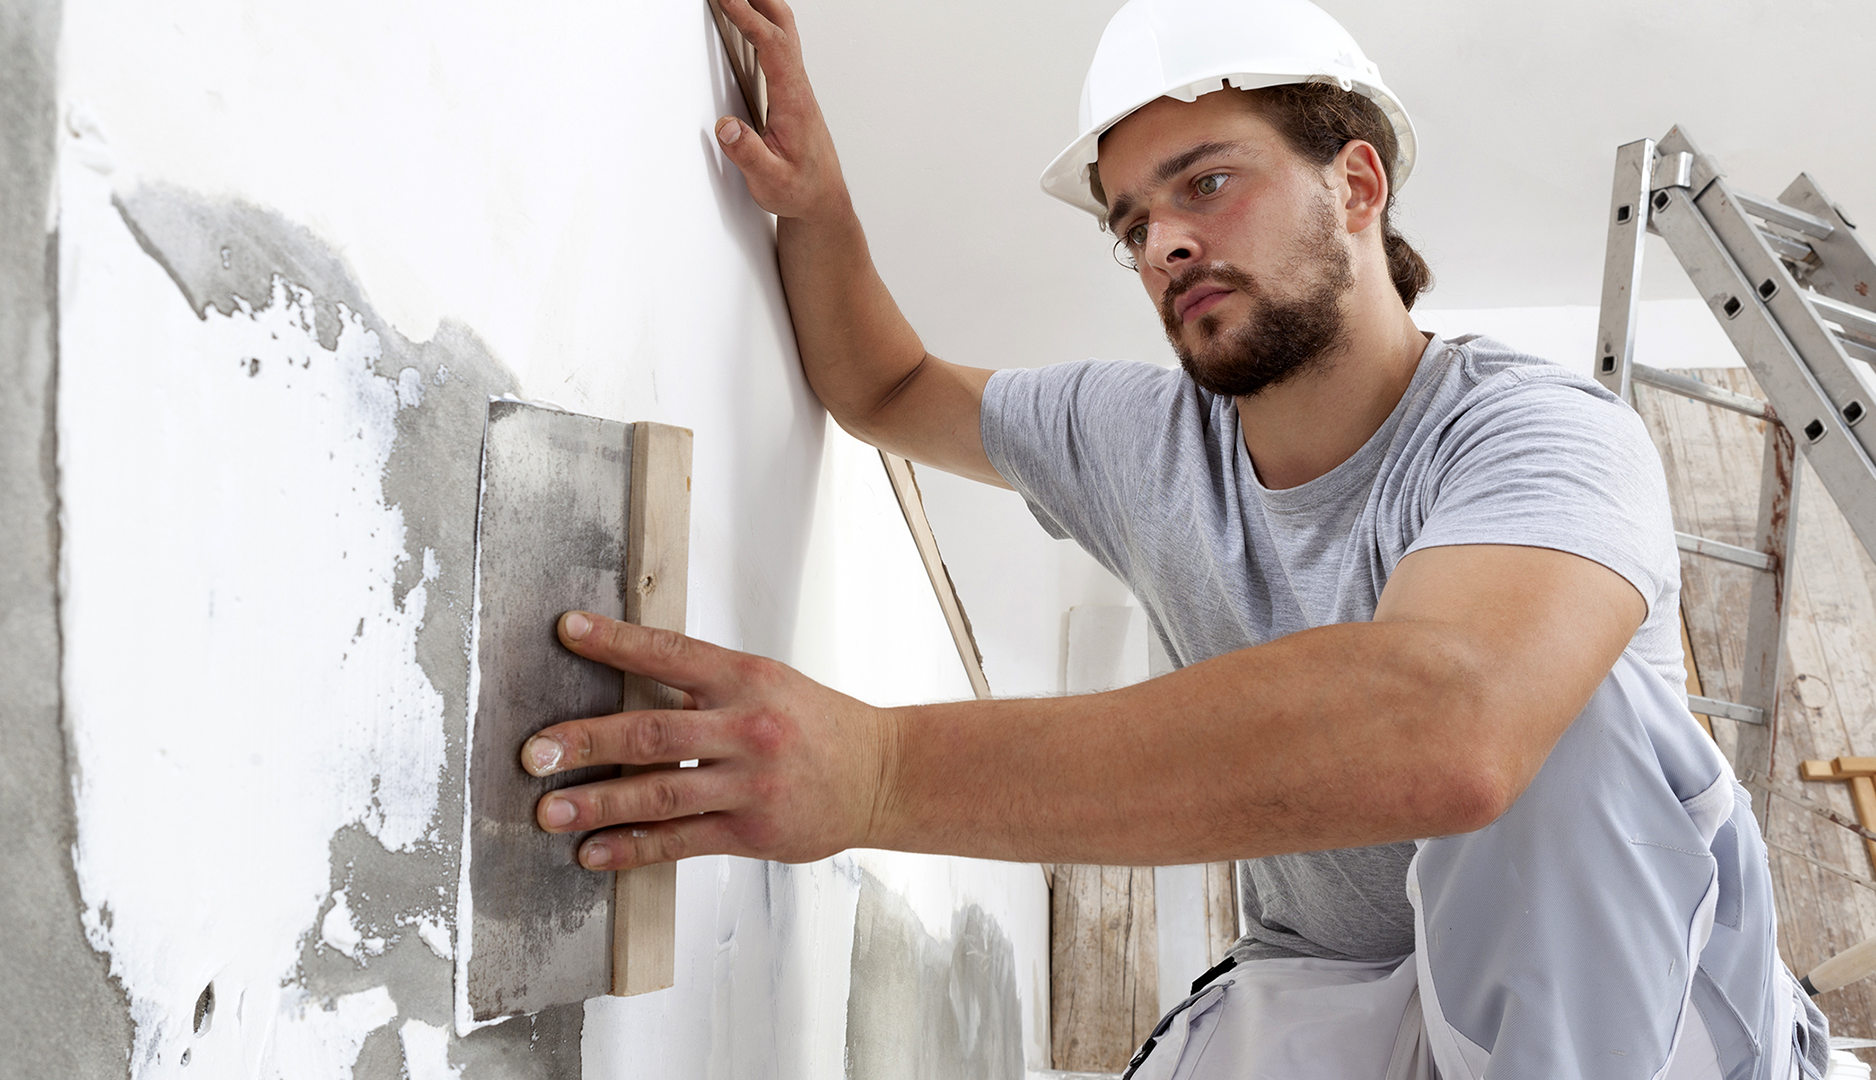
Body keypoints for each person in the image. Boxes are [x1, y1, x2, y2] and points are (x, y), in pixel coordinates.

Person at [518, 0, 1831, 1074]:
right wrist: (818, 203)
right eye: (1133, 222)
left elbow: (1455, 726)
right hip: (1339, 993)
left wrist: (870, 772)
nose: (1169, 243)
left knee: (1573, 712)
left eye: (1208, 181)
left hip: (1626, 1014)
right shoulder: (1136, 434)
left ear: (1357, 182)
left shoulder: (1538, 436)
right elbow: (888, 388)